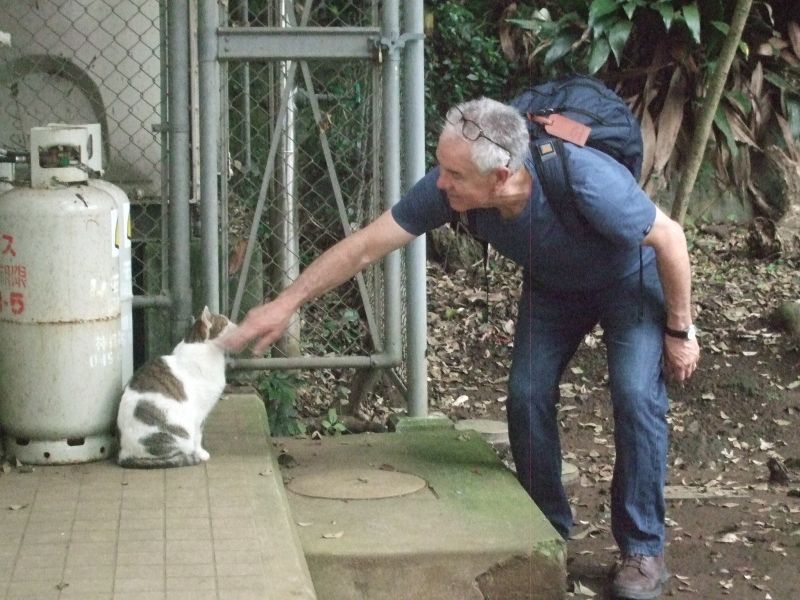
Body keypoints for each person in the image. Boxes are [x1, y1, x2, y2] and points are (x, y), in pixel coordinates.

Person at [221, 97, 700, 600]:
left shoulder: (585, 179)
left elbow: (670, 239)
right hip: (554, 287)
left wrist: (680, 330)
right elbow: (365, 246)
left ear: (500, 176)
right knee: (526, 395)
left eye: (453, 173)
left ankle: (642, 549)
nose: (440, 182)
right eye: (441, 167)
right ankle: (545, 524)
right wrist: (285, 303)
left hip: (628, 280)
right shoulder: (448, 189)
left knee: (634, 395)